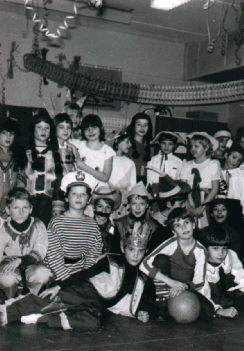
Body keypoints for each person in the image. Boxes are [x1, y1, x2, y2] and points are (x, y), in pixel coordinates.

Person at [0, 225, 156, 330]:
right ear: (123, 248)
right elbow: (85, 273)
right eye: (131, 249)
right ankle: (8, 311)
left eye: (140, 251)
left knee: (92, 323)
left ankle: (42, 318)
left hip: (96, 304)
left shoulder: (142, 278)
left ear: (145, 251)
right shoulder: (111, 261)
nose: (135, 255)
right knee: (52, 299)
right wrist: (59, 285)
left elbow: (148, 298)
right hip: (84, 290)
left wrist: (144, 310)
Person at [140, 207, 214, 321]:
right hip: (167, 285)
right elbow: (143, 264)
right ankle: (162, 301)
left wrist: (184, 286)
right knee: (160, 260)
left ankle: (168, 310)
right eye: (178, 225)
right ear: (174, 232)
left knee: (209, 311)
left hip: (185, 287)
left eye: (186, 222)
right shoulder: (170, 244)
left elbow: (199, 282)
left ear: (193, 225)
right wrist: (171, 282)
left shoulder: (201, 250)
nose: (184, 227)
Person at [45, 171, 103, 282]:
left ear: (88, 200)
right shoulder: (57, 222)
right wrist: (67, 280)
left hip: (79, 271)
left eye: (83, 194)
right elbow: (53, 256)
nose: (78, 197)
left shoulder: (92, 225)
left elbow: (93, 254)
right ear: (66, 198)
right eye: (74, 194)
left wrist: (84, 276)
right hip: (55, 271)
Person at [0, 188, 51, 300]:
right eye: (16, 208)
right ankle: (11, 299)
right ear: (8, 210)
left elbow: (40, 251)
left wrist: (21, 260)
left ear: (30, 209)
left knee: (43, 274)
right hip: (11, 266)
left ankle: (33, 298)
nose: (21, 212)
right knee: (6, 278)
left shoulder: (38, 225)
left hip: (32, 265)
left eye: (25, 208)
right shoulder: (3, 228)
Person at [24, 110, 62, 226]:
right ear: (33, 129)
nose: (43, 131)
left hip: (47, 202)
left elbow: (58, 180)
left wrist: (57, 204)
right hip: (27, 201)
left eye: (47, 128)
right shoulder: (26, 153)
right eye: (39, 127)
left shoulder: (55, 154)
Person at [199, 227, 244, 318]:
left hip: (229, 298)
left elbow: (241, 278)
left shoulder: (230, 255)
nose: (221, 253)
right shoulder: (200, 265)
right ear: (205, 249)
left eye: (224, 248)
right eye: (215, 248)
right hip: (210, 301)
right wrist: (219, 310)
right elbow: (204, 293)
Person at [180, 131, 221, 229]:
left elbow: (215, 189)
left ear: (206, 148)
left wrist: (202, 206)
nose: (193, 149)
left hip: (207, 200)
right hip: (189, 199)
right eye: (191, 146)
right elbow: (183, 187)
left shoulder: (213, 164)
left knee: (206, 228)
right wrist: (189, 206)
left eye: (196, 146)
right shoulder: (186, 165)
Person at [112, 182, 159, 254]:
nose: (138, 208)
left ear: (147, 205)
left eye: (141, 204)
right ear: (129, 205)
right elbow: (115, 251)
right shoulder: (119, 223)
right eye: (134, 203)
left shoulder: (153, 226)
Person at [71, 114, 115, 187]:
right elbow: (62, 141)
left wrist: (83, 166)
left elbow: (105, 177)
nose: (90, 131)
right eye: (87, 129)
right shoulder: (78, 145)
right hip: (79, 187)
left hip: (99, 189)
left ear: (101, 128)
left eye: (94, 127)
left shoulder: (108, 151)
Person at [0, 116, 25, 218]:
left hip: (9, 209)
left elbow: (21, 185)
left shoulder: (19, 158)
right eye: (4, 133)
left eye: (12, 134)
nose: (8, 137)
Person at [108, 129, 136, 205]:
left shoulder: (130, 163)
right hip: (108, 196)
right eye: (127, 142)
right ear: (117, 141)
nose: (130, 145)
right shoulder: (107, 160)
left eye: (130, 142)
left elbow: (132, 186)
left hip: (124, 199)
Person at [90, 185, 121, 253]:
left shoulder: (114, 230)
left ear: (112, 210)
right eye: (100, 206)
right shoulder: (86, 227)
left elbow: (116, 253)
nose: (104, 211)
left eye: (108, 207)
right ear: (94, 207)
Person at [127, 112, 153, 183]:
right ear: (133, 126)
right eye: (139, 124)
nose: (142, 128)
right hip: (128, 183)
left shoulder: (149, 148)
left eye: (145, 125)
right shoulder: (127, 144)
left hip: (143, 184)